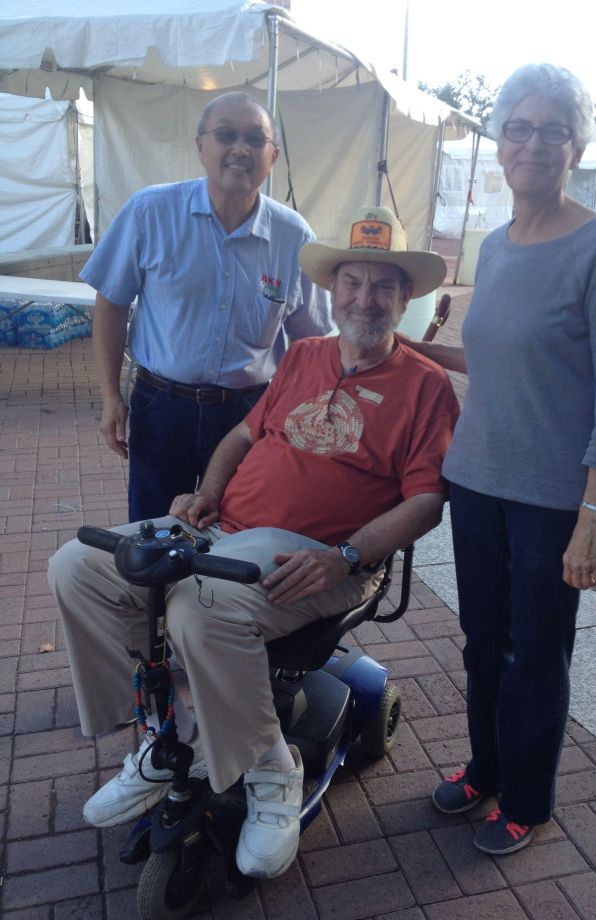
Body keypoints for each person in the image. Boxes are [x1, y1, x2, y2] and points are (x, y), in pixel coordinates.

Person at [48, 206, 457, 879]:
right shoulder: (304, 355)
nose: (365, 299)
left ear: (405, 298)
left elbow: (428, 499)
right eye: (352, 282)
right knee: (79, 568)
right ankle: (160, 732)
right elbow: (242, 436)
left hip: (322, 558)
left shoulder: (427, 386)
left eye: (383, 286)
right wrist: (208, 490)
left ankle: (271, 770)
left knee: (196, 606)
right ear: (332, 291)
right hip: (220, 529)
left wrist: (347, 556)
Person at [408, 64, 596, 856]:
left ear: (575, 146)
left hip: (550, 498)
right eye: (519, 127)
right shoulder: (495, 245)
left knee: (538, 651)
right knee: (483, 641)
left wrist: (594, 517)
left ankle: (528, 798)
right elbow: (509, 359)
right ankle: (485, 766)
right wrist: (417, 350)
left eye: (551, 130)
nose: (533, 143)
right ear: (500, 144)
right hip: (475, 482)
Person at [81, 91, 333, 522]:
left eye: (255, 139)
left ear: (272, 156)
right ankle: (155, 593)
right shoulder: (151, 212)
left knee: (238, 531)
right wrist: (109, 396)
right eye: (226, 135)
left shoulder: (294, 237)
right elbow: (111, 302)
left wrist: (293, 416)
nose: (240, 149)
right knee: (153, 532)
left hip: (250, 411)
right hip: (161, 407)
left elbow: (311, 341)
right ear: (201, 146)